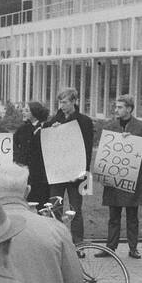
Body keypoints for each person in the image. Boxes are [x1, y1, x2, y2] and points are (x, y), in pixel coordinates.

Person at [40, 88, 95, 245]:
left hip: (76, 173)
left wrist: (85, 172)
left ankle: (78, 243)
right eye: (60, 102)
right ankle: (58, 241)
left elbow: (88, 148)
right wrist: (51, 129)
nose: (62, 105)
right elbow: (45, 141)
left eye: (65, 102)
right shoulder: (52, 121)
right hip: (57, 173)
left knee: (75, 208)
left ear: (74, 101)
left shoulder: (84, 121)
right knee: (55, 207)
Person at [101, 96, 142, 258]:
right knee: (113, 215)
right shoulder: (109, 126)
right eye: (116, 107)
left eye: (120, 107)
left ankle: (133, 247)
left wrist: (134, 142)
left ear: (129, 109)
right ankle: (110, 247)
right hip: (115, 176)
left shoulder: (141, 127)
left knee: (132, 215)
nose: (116, 110)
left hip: (132, 176)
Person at [11, 100, 50, 204]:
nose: (23, 112)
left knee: (41, 203)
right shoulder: (22, 129)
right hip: (25, 173)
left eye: (27, 110)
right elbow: (13, 146)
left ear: (35, 113)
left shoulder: (46, 128)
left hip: (41, 175)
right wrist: (18, 161)